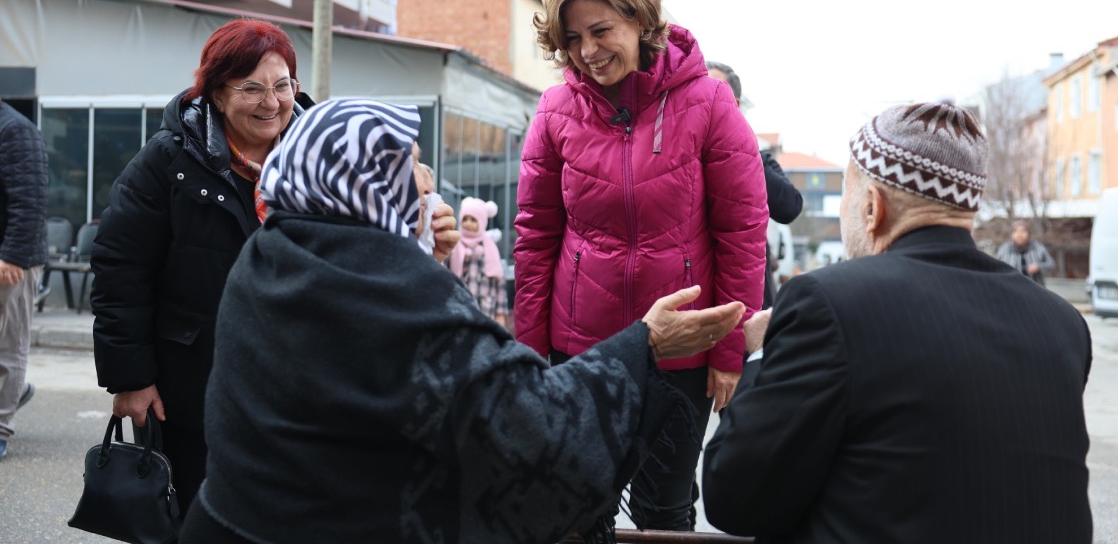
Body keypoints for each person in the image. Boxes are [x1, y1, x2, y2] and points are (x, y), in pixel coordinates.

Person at [178, 99, 745, 544]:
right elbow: (531, 426)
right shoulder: (389, 284)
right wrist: (643, 342)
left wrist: (418, 253)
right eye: (406, 166)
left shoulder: (272, 255)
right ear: (367, 182)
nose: (423, 181)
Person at [703, 102, 1093, 543]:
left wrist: (760, 350)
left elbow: (734, 496)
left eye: (847, 195)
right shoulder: (1061, 322)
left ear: (872, 207)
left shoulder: (829, 303)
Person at [515, 0, 768, 531]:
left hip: (682, 349)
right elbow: (534, 238)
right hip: (583, 352)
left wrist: (728, 348)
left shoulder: (707, 101)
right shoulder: (555, 110)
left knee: (664, 512)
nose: (588, 51)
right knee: (579, 508)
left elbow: (743, 232)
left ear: (640, 21)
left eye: (601, 31)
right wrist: (530, 354)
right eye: (573, 38)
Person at [89, 18, 317, 515]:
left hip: (302, 387)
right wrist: (130, 379)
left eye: (283, 86)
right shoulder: (167, 161)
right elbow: (120, 270)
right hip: (193, 388)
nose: (272, 102)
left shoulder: (322, 160)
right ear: (215, 91)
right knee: (197, 516)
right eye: (252, 88)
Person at [706, 60, 804, 309]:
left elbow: (789, 207)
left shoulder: (758, 158)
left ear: (734, 106)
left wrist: (739, 150)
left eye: (713, 90)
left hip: (747, 298)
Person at [0, 97, 47, 460]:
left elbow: (30, 198)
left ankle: (0, 428)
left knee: (8, 348)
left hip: (10, 259)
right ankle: (17, 392)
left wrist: (13, 255)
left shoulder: (15, 129)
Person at [450, 196, 509, 326]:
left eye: (473, 220)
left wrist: (500, 313)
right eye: (465, 219)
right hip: (460, 307)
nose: (468, 223)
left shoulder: (489, 246)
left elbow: (499, 280)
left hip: (486, 308)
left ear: (482, 222)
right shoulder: (454, 245)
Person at [994, 219, 1055, 286]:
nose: (1019, 234)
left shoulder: (1037, 248)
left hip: (1035, 289)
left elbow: (1051, 264)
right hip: (1011, 289)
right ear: (1012, 234)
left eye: (1023, 231)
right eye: (1016, 231)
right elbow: (996, 268)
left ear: (1028, 234)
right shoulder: (1005, 249)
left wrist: (1038, 266)